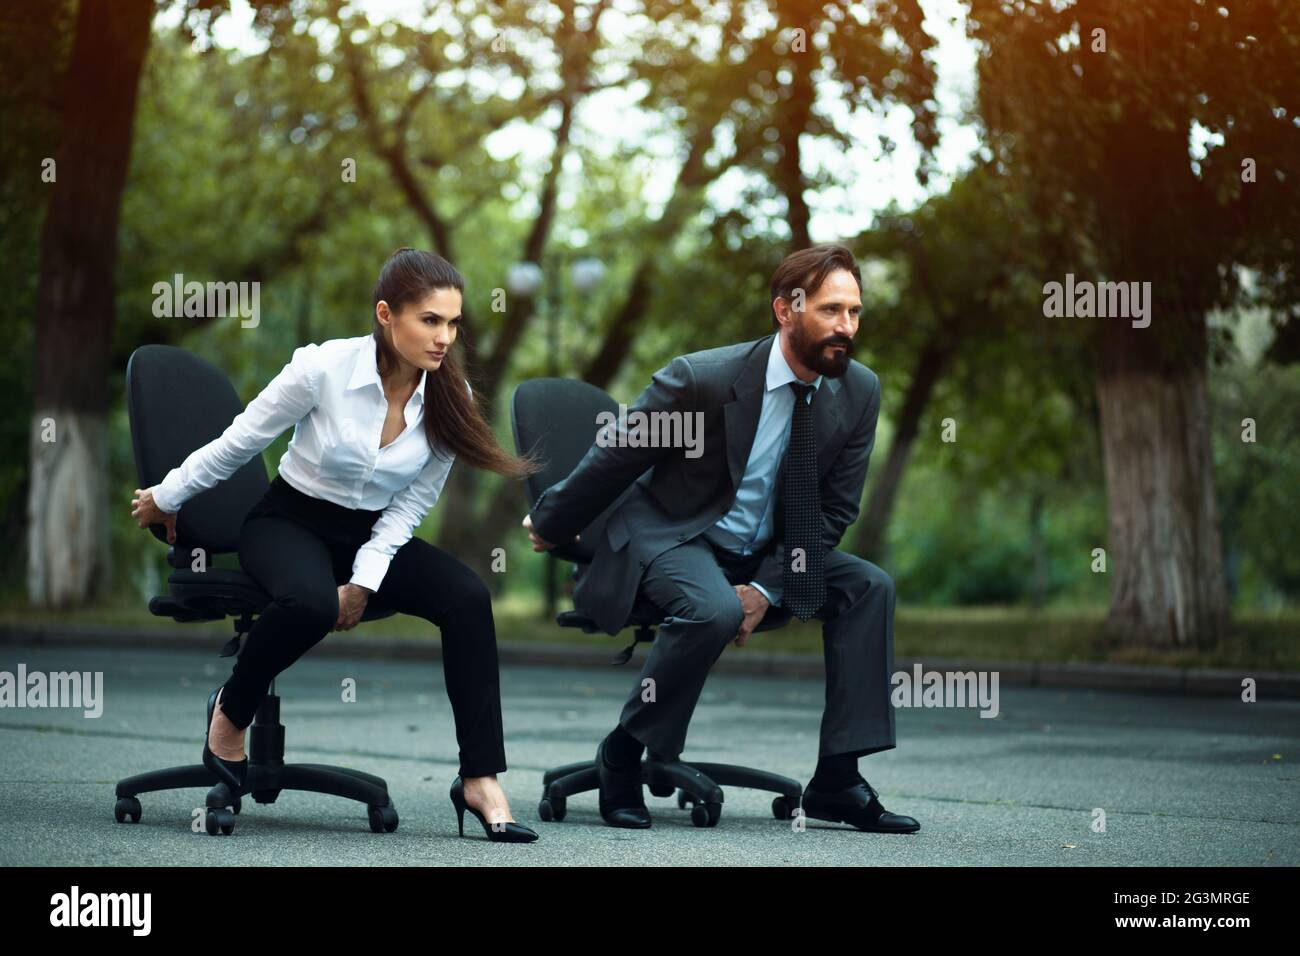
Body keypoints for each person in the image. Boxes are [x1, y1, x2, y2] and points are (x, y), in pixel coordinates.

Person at [132, 247, 540, 843]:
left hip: (370, 535)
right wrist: (167, 495)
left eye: (453, 323)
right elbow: (240, 441)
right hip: (287, 522)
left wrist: (365, 580)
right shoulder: (322, 368)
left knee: (467, 597)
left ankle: (479, 778)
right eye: (430, 320)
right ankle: (231, 711)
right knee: (311, 603)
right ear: (386, 314)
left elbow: (410, 507)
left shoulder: (452, 401)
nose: (445, 337)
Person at [523, 244, 918, 834]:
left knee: (869, 586)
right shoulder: (701, 379)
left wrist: (765, 585)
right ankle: (623, 752)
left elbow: (835, 511)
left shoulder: (858, 391)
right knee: (711, 609)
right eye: (832, 310)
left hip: (766, 552)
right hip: (673, 535)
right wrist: (551, 521)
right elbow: (616, 458)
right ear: (786, 310)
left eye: (855, 312)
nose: (847, 327)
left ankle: (838, 778)